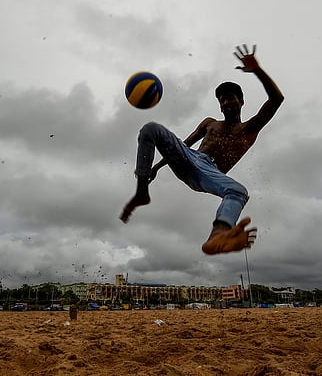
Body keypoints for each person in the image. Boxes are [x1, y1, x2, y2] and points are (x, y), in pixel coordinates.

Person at [120, 44, 284, 254]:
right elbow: (185, 144)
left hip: (210, 173)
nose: (226, 102)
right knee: (151, 129)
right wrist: (157, 167)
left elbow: (276, 100)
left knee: (238, 191)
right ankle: (142, 193)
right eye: (222, 100)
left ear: (241, 102)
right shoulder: (210, 123)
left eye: (231, 98)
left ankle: (218, 236)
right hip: (189, 157)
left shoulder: (248, 129)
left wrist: (257, 70)